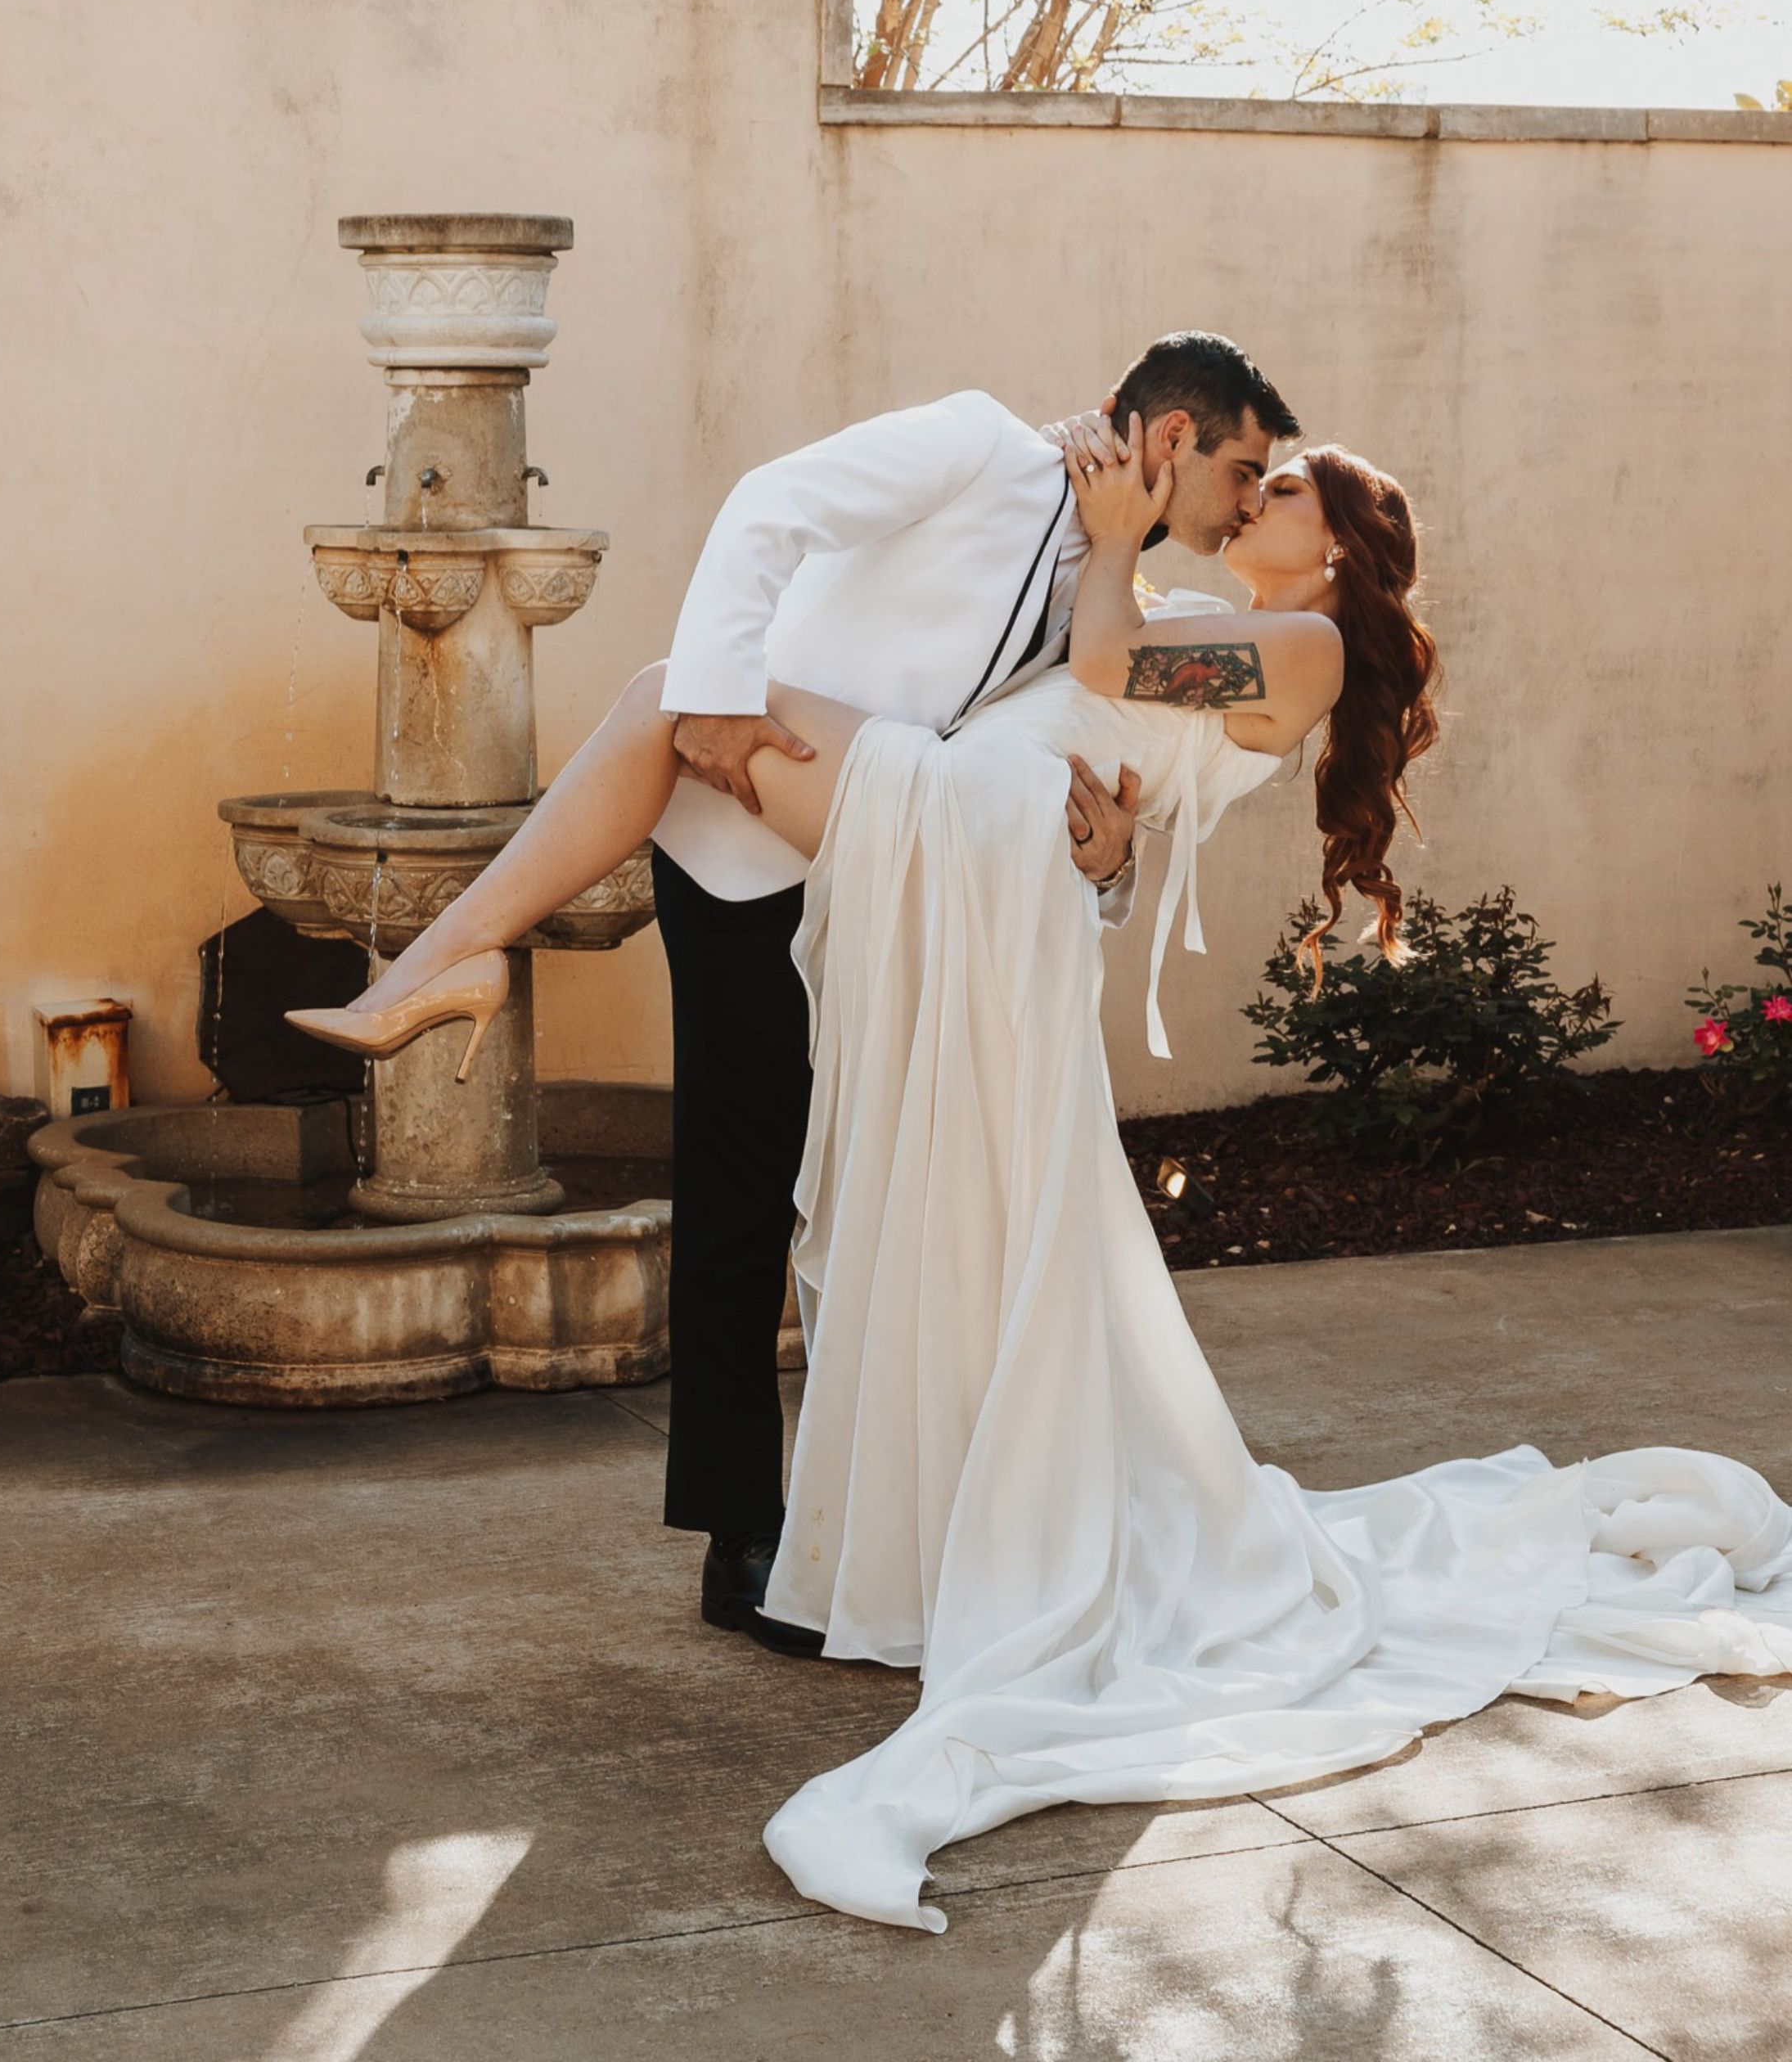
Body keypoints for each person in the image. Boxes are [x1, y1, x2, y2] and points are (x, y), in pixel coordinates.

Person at [300, 411, 1792, 1929]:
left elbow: (1106, 669)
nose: (1250, 500)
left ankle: (450, 960)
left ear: (1337, 550)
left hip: (978, 833)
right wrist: (1115, 720)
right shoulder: (1221, 619)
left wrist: (1112, 548)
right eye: (1252, 474)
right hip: (988, 837)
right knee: (714, 784)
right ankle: (462, 969)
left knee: (664, 701)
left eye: (1280, 490)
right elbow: (1111, 722)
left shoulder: (1304, 651)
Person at [308, 335, 1281, 1650]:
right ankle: (740, 1539)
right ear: (1170, 438)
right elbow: (770, 505)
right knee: (741, 1196)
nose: (1246, 505)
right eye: (1242, 470)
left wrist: (1110, 869)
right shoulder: (978, 445)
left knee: (891, 1214)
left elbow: (1057, 779)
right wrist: (716, 698)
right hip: (742, 852)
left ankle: (876, 1537)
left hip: (892, 901)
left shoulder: (1124, 607)